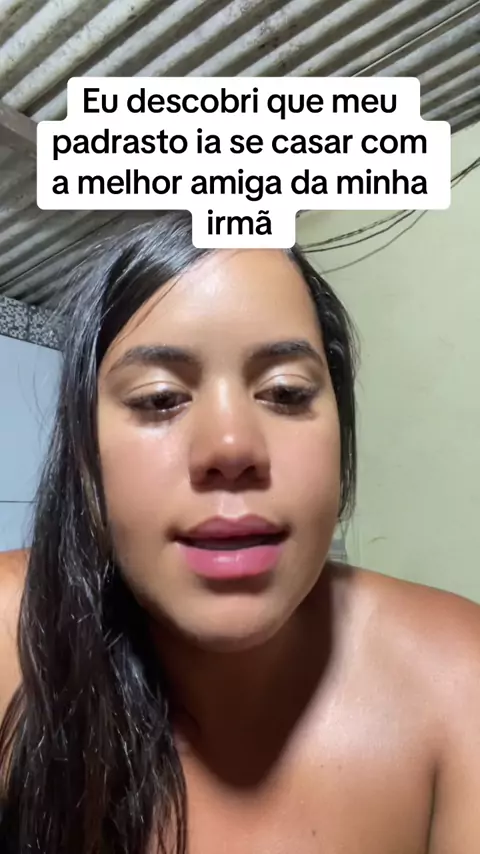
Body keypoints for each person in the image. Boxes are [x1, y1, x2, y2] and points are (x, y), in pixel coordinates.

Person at [0, 210, 479, 854]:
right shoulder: (12, 637)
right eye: (159, 398)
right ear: (85, 459)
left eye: (286, 393)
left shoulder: (459, 676)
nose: (231, 446)